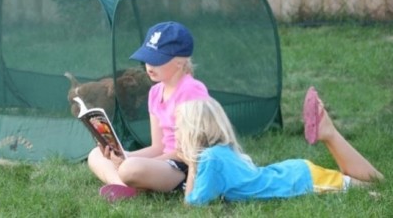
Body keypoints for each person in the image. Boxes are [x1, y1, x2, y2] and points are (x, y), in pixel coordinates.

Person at [175, 87, 384, 206]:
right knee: (362, 183)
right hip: (294, 173)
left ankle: (329, 132)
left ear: (194, 130)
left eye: (178, 127)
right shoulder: (221, 152)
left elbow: (193, 204)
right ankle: (328, 133)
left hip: (299, 181)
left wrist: (191, 166)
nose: (175, 132)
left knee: (375, 184)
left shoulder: (211, 159)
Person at [87, 21, 210, 202]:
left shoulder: (192, 91)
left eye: (157, 60)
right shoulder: (155, 92)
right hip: (162, 160)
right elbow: (158, 146)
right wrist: (122, 155)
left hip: (184, 166)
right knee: (95, 155)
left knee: (130, 168)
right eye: (146, 59)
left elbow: (189, 151)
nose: (149, 66)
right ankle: (124, 186)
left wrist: (131, 163)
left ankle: (131, 180)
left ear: (179, 62)